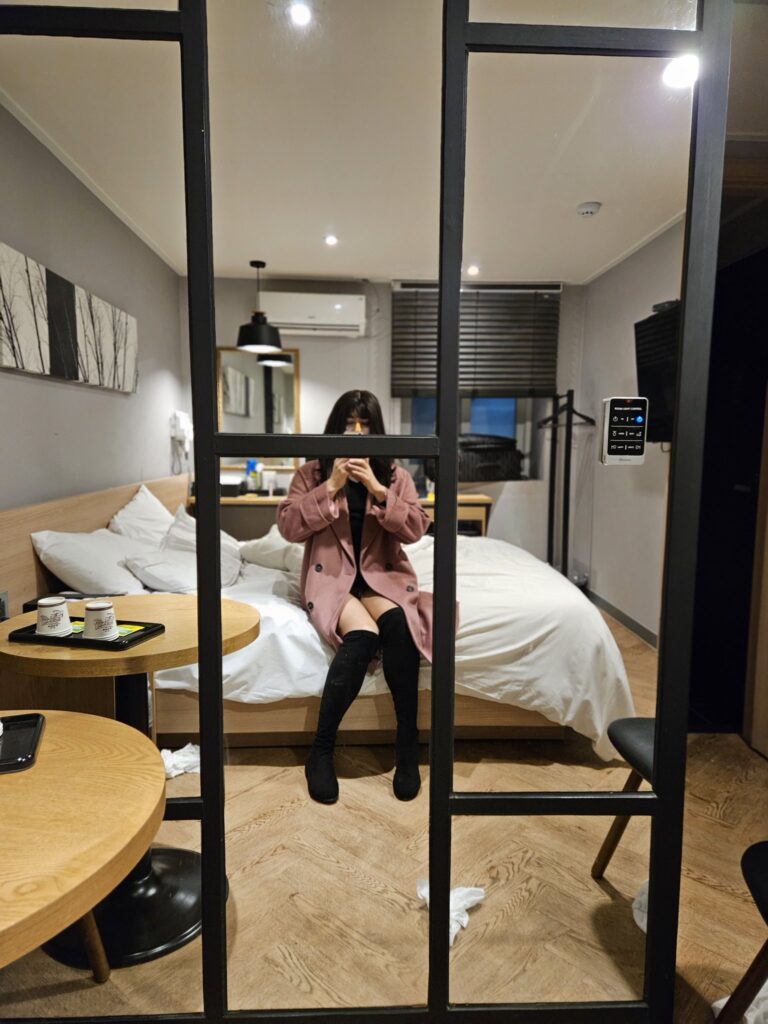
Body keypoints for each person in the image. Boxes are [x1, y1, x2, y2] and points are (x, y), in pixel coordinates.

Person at [277, 389, 434, 804]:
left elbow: (417, 529)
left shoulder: (394, 475)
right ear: (336, 428)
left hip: (381, 577)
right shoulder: (312, 473)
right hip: (334, 579)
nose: (357, 432)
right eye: (349, 424)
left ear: (377, 430)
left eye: (365, 425)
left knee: (400, 625)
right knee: (363, 637)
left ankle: (407, 745)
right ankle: (321, 750)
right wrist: (331, 486)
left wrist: (378, 490)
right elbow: (288, 528)